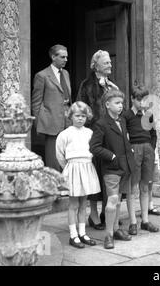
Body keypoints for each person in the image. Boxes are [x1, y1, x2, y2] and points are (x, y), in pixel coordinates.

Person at [76, 50, 119, 230]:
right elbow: (81, 110)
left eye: (110, 62)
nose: (110, 65)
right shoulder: (86, 86)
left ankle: (107, 211)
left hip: (111, 137)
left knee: (109, 174)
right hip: (94, 137)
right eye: (106, 62)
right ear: (96, 65)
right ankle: (93, 214)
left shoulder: (113, 86)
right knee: (94, 175)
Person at [89, 89, 134, 249]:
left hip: (125, 167)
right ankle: (108, 235)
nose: (121, 106)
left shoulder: (122, 121)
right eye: (117, 103)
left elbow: (123, 141)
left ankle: (116, 229)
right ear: (107, 105)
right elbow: (94, 147)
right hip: (111, 169)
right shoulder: (101, 124)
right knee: (112, 200)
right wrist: (112, 156)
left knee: (118, 200)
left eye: (121, 103)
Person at [55, 101, 101, 249]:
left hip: (86, 167)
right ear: (71, 116)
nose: (80, 119)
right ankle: (73, 234)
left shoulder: (89, 133)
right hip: (73, 169)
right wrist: (68, 169)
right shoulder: (65, 134)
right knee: (73, 204)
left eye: (83, 116)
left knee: (83, 204)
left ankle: (82, 233)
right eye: (77, 116)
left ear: (87, 117)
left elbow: (93, 150)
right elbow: (60, 154)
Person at [122, 85, 160, 235]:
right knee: (132, 188)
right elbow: (124, 135)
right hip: (134, 149)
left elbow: (154, 134)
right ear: (132, 99)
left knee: (145, 186)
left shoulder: (148, 115)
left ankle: (145, 220)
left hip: (147, 150)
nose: (142, 102)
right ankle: (132, 222)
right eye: (139, 99)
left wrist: (151, 147)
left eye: (145, 99)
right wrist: (130, 150)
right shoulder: (126, 116)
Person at [32, 44, 72, 171]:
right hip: (51, 123)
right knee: (53, 161)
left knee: (67, 157)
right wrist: (39, 124)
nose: (66, 59)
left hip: (67, 122)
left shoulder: (66, 73)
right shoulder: (42, 75)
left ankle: (67, 188)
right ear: (53, 57)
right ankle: (54, 189)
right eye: (62, 57)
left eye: (66, 57)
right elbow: (36, 102)